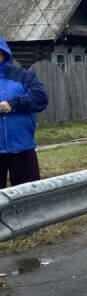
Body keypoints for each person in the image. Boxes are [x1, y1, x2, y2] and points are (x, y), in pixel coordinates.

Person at [0, 36, 48, 186]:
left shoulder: (23, 76)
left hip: (22, 148)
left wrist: (12, 104)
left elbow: (40, 97)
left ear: (4, 53)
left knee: (28, 198)